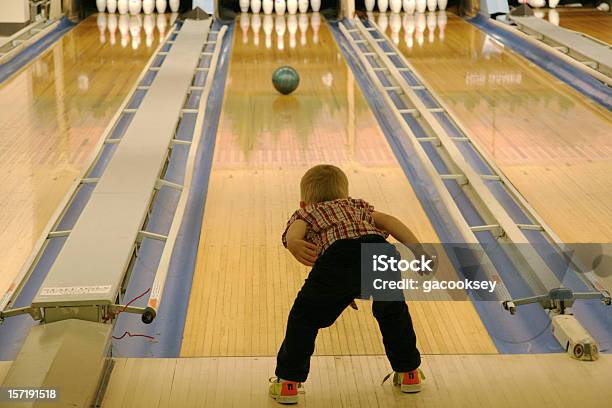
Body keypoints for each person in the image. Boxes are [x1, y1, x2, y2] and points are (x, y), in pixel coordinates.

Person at [269, 164, 430, 404]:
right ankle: (409, 373)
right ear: (345, 194)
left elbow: (296, 230)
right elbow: (389, 221)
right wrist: (418, 250)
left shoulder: (307, 213)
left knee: (304, 318)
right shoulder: (357, 205)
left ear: (304, 203)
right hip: (380, 251)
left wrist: (293, 243)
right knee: (393, 312)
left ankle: (288, 383)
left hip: (338, 258)